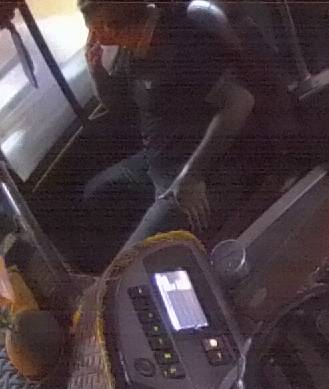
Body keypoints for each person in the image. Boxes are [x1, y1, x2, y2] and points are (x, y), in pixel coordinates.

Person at [78, 0, 261, 248]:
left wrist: (192, 176)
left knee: (135, 260)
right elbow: (120, 106)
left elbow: (240, 101)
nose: (96, 38)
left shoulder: (179, 43)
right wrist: (96, 72)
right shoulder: (132, 48)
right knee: (96, 193)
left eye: (98, 28)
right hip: (157, 159)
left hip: (196, 166)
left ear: (115, 23)